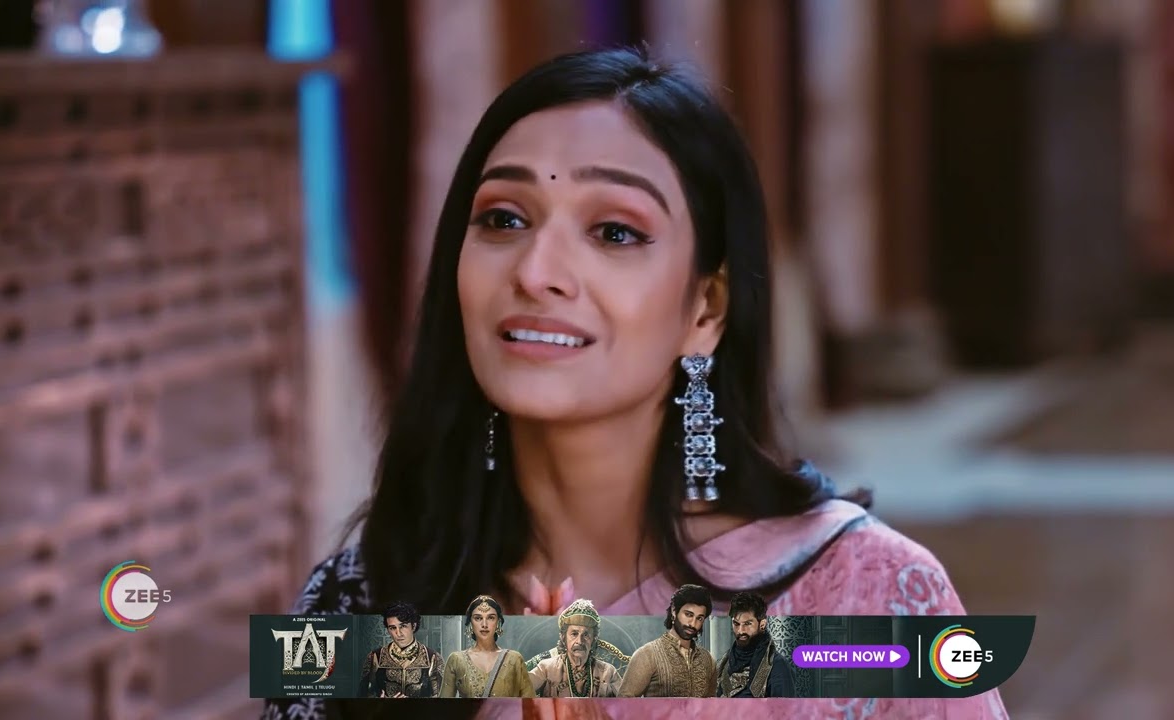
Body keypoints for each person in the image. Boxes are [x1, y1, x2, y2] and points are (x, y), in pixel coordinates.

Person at [262, 45, 1008, 720]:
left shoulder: (869, 603)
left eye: (614, 232)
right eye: (504, 219)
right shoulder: (357, 606)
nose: (536, 272)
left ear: (706, 308)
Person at [617, 584, 716, 698]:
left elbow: (712, 704)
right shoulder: (648, 654)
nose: (693, 624)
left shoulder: (708, 660)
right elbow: (624, 701)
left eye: (699, 618)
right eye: (688, 615)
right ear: (674, 611)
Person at [440, 595, 534, 698]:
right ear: (470, 622)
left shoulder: (514, 659)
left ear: (498, 622)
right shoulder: (456, 660)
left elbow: (530, 704)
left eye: (490, 618)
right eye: (478, 618)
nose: (484, 624)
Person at [528, 599, 626, 697]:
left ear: (593, 639)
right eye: (574, 634)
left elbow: (627, 701)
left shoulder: (608, 672)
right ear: (563, 637)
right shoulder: (547, 668)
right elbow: (521, 688)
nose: (580, 641)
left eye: (586, 635)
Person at [715, 592, 794, 698]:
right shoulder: (722, 664)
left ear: (762, 624)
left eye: (748, 624)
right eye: (736, 624)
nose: (740, 631)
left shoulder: (777, 666)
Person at [359, 602, 443, 698]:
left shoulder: (433, 658)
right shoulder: (375, 657)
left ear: (413, 626)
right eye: (392, 628)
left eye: (403, 626)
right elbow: (363, 695)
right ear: (388, 630)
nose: (398, 633)